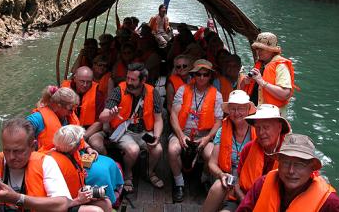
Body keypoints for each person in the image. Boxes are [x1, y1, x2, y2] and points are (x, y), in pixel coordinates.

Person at [0, 118, 71, 211]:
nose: (11, 157)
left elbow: (62, 204)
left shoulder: (45, 163)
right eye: (6, 150)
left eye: (18, 151)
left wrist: (17, 199)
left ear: (33, 146)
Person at [237, 133, 339, 211]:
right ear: (279, 164)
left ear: (312, 168)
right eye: (286, 163)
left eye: (299, 165)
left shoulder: (331, 204)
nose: (291, 171)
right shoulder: (262, 184)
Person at [99, 63, 164, 193]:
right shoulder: (119, 90)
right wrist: (110, 114)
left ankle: (149, 173)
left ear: (143, 80)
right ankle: (128, 175)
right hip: (125, 132)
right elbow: (102, 117)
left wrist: (156, 136)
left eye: (133, 79)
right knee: (133, 150)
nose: (128, 82)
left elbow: (158, 119)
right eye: (127, 78)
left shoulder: (152, 92)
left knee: (158, 149)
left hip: (144, 131)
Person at [169, 59, 223, 203]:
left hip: (205, 134)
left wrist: (207, 138)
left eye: (205, 75)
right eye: (198, 74)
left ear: (210, 76)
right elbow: (174, 114)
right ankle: (179, 183)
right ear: (194, 75)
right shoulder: (183, 90)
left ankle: (204, 179)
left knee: (211, 154)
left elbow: (219, 121)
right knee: (173, 150)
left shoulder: (217, 95)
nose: (201, 78)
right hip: (184, 132)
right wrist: (180, 135)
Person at [202, 90, 256, 212]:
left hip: (249, 180)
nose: (236, 113)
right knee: (217, 187)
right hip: (228, 176)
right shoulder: (222, 131)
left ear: (248, 109)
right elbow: (212, 163)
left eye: (241, 109)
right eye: (233, 109)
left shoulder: (257, 132)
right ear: (228, 110)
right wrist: (221, 175)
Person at [50, 125, 119, 211]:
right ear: (73, 146)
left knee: (106, 202)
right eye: (79, 142)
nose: (81, 144)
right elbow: (58, 199)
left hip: (77, 196)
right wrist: (78, 200)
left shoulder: (71, 154)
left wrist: (86, 189)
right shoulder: (53, 164)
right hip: (66, 204)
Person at [236, 104, 291, 201]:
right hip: (244, 199)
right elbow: (237, 179)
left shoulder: (291, 153)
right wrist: (243, 199)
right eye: (258, 128)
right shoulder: (248, 148)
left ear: (279, 127)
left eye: (266, 127)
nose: (261, 133)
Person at [27, 86, 97, 157]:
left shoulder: (67, 116)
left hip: (68, 157)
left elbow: (76, 137)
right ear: (58, 106)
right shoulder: (36, 119)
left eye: (73, 109)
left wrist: (88, 148)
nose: (72, 112)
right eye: (70, 109)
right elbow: (22, 142)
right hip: (47, 161)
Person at [241, 32, 296, 116]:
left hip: (271, 116)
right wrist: (245, 82)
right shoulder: (260, 64)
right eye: (257, 49)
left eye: (262, 49)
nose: (258, 51)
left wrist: (262, 82)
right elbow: (242, 89)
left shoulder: (281, 66)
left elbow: (285, 94)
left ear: (271, 50)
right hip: (254, 112)